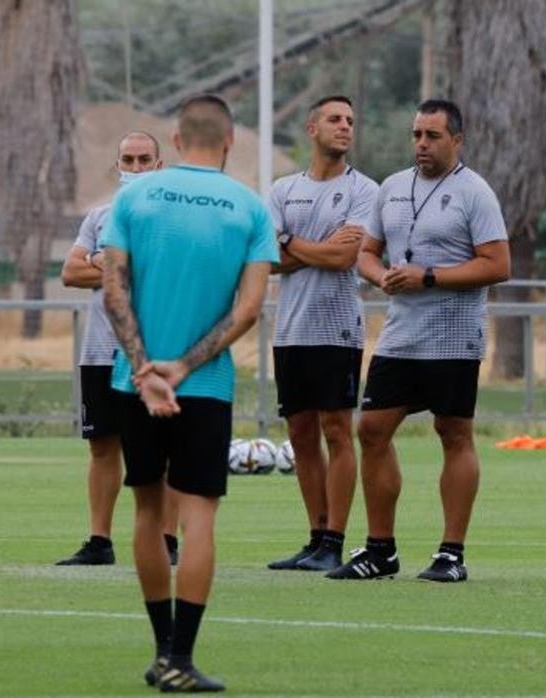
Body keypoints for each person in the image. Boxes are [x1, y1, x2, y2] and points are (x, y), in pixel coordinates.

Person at [102, 94, 277, 692]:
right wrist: (182, 368)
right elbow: (250, 309)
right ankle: (182, 656)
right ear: (229, 140)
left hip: (134, 382)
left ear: (175, 140)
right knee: (197, 515)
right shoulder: (250, 208)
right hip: (204, 386)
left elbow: (113, 293)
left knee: (149, 511)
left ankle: (159, 652)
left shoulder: (132, 196)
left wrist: (145, 369)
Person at [326, 98, 510, 583]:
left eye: (432, 136)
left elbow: (498, 265)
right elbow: (368, 252)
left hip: (453, 338)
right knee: (372, 430)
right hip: (400, 336)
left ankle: (451, 553)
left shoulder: (475, 192)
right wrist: (380, 275)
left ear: (456, 141)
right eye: (416, 135)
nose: (421, 144)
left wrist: (429, 276)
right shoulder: (392, 187)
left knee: (453, 432)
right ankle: (380, 549)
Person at [264, 95, 378, 572]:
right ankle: (315, 538)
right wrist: (306, 247)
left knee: (337, 431)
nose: (345, 127)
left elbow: (342, 258)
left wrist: (291, 240)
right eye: (335, 119)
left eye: (351, 120)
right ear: (312, 128)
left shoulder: (364, 191)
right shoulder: (282, 190)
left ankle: (335, 539)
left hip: (337, 331)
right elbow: (269, 259)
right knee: (300, 434)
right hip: (290, 332)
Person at [57, 131, 180, 567]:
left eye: (145, 159)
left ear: (159, 165)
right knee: (101, 445)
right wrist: (112, 265)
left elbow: (157, 271)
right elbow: (70, 273)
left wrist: (107, 263)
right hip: (99, 349)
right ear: (118, 166)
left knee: (160, 449)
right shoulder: (99, 216)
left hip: (152, 350)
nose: (136, 167)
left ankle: (166, 540)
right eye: (128, 160)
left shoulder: (173, 218)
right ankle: (99, 541)